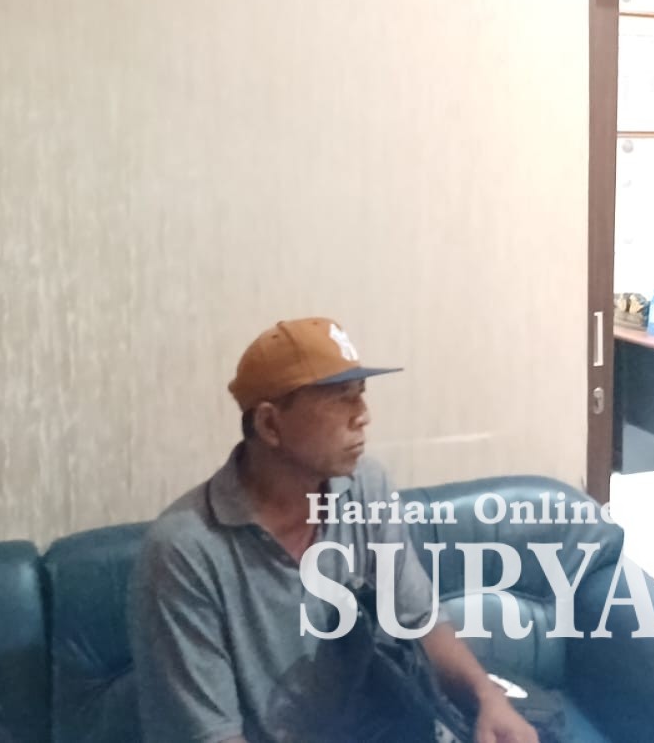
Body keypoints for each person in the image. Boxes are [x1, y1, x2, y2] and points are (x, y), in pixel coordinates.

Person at [128, 317, 538, 743]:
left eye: (361, 394)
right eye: (342, 399)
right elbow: (210, 734)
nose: (363, 416)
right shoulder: (184, 553)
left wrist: (489, 699)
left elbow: (418, 622)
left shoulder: (364, 487)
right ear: (270, 425)